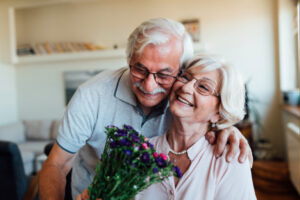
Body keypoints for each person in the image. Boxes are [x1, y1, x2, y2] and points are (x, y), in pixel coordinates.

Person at [39, 18, 252, 200]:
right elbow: (56, 165)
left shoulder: (183, 103)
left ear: (180, 70)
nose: (150, 86)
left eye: (164, 74)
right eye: (139, 69)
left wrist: (226, 128)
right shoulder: (92, 95)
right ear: (129, 61)